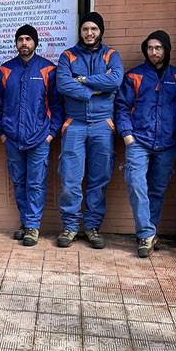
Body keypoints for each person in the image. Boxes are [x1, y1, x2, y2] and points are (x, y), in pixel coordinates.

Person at [56, 12, 123, 248]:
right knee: (70, 179)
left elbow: (115, 81)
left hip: (103, 124)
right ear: (80, 31)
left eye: (94, 28)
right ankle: (70, 226)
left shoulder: (111, 55)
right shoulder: (68, 56)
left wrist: (82, 79)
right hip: (74, 123)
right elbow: (63, 83)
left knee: (99, 179)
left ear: (100, 31)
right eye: (85, 29)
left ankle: (92, 227)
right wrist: (93, 88)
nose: (89, 33)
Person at [115, 30, 176, 258]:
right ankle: (145, 233)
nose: (154, 52)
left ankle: (149, 234)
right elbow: (122, 107)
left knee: (157, 190)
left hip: (168, 143)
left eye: (158, 48)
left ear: (166, 49)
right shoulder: (134, 76)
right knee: (135, 184)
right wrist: (127, 135)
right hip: (138, 141)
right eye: (150, 48)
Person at [0, 24, 62, 247]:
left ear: (35, 42)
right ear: (16, 43)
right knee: (19, 182)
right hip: (12, 138)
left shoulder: (48, 70)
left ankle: (32, 226)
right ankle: (25, 222)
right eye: (21, 39)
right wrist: (2, 133)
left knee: (36, 183)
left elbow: (57, 105)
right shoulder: (4, 71)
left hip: (39, 138)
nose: (24, 43)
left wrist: (50, 135)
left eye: (28, 39)